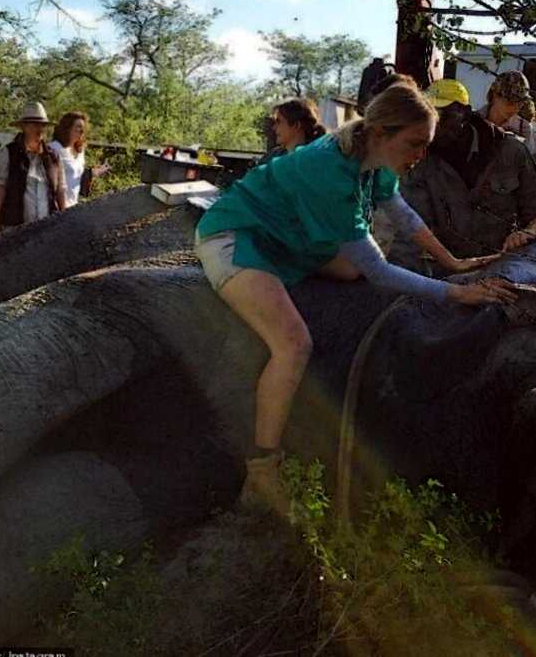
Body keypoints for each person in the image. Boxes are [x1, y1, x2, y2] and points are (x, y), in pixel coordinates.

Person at [195, 84, 515, 516]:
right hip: (239, 237)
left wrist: (453, 261)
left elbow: (403, 214)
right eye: (415, 143)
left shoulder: (374, 157)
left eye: (426, 144)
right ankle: (262, 471)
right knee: (292, 344)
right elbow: (381, 271)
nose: (421, 154)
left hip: (290, 239)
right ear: (381, 132)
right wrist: (456, 290)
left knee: (351, 270)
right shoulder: (330, 169)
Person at [391, 78, 536, 274]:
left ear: (466, 113)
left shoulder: (511, 152)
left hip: (506, 268)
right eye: (428, 115)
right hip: (451, 273)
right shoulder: (421, 164)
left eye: (443, 114)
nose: (434, 124)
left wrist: (525, 233)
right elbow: (410, 230)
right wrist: (396, 280)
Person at [0, 102, 67, 238]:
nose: (39, 128)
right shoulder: (8, 153)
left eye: (42, 125)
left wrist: (66, 221)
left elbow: (61, 190)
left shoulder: (54, 157)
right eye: (34, 124)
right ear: (24, 127)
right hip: (13, 230)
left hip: (47, 230)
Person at [49, 111, 110, 208]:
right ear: (67, 128)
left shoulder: (80, 150)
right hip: (56, 208)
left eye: (83, 128)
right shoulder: (54, 149)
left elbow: (76, 176)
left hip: (73, 207)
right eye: (78, 127)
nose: (82, 131)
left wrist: (94, 172)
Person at [476, 70, 536, 156]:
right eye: (510, 102)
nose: (515, 108)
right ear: (495, 95)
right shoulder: (475, 119)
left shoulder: (524, 128)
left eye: (520, 103)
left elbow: (527, 164)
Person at [259, 98, 326, 164]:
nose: (274, 127)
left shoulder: (315, 160)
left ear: (296, 125)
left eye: (279, 122)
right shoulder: (271, 157)